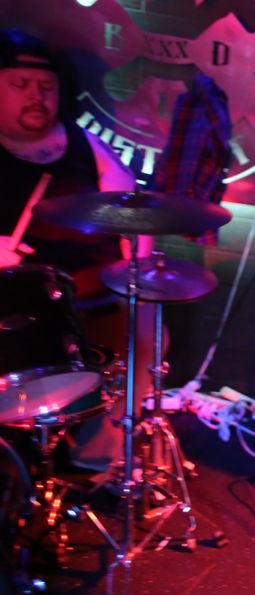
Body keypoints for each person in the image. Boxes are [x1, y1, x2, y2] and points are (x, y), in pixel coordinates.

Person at [0, 29, 155, 473]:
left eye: (46, 87)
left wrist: (136, 271)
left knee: (147, 328)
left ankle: (93, 457)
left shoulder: (89, 148)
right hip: (11, 299)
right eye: (21, 85)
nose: (37, 96)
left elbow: (137, 219)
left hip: (87, 295)